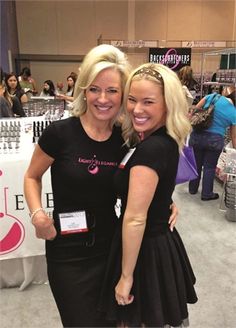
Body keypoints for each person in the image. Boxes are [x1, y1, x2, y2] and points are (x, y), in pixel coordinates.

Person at [23, 45, 178, 327]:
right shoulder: (60, 134)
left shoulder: (128, 139)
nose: (103, 99)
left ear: (123, 95)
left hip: (111, 249)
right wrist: (37, 214)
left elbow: (145, 182)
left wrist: (166, 202)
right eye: (95, 89)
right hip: (67, 252)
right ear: (84, 90)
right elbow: (31, 176)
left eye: (112, 91)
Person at [98, 63, 198, 327]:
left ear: (167, 104)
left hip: (145, 251)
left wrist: (126, 276)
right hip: (154, 243)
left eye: (148, 102)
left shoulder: (151, 148)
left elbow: (135, 218)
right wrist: (166, 201)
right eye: (131, 99)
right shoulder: (158, 139)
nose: (136, 109)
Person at [189, 92, 236, 200]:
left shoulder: (213, 96)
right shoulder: (234, 113)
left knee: (196, 164)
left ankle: (192, 189)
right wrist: (234, 150)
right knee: (209, 168)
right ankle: (206, 194)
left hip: (197, 136)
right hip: (215, 140)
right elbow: (233, 136)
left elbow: (195, 110)